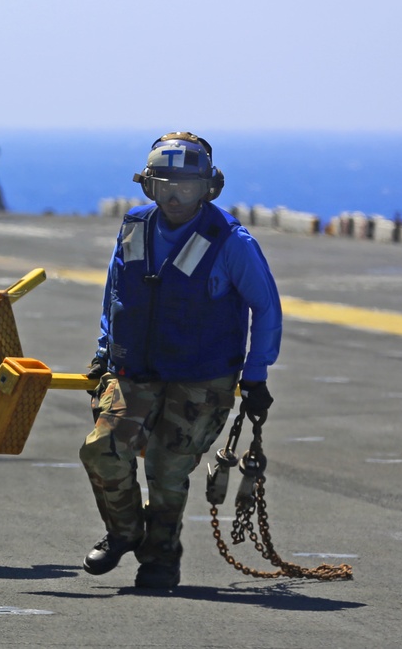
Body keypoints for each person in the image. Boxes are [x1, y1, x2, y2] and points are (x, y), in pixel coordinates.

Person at [79, 132, 282, 589]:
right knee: (102, 450)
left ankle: (161, 559)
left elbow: (265, 306)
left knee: (167, 471)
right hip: (135, 370)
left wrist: (256, 375)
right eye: (164, 184)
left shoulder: (230, 241)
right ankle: (125, 532)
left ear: (208, 188)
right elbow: (117, 292)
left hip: (201, 378)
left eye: (187, 186)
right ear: (148, 186)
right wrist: (104, 348)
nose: (174, 196)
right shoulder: (135, 227)